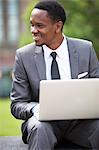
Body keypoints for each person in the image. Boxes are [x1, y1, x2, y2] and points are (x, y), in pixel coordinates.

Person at [10, 1, 99, 150]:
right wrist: (35, 109)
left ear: (58, 26)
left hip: (80, 124)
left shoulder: (85, 49)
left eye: (40, 25)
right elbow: (17, 104)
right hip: (44, 124)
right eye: (32, 25)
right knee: (39, 128)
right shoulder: (24, 56)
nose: (33, 30)